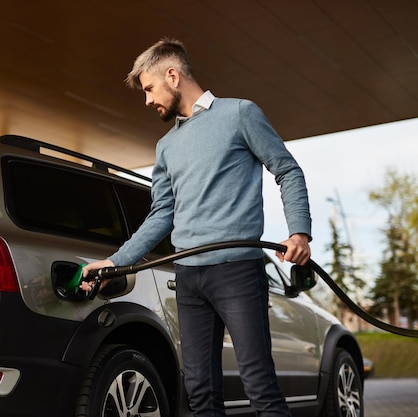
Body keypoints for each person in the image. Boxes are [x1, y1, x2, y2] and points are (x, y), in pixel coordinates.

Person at [81, 38, 312, 417]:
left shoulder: (239, 114)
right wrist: (115, 260)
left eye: (149, 88)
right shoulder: (166, 146)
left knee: (258, 384)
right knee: (200, 391)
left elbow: (287, 170)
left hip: (238, 271)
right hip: (189, 278)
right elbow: (161, 215)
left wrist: (299, 232)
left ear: (172, 75)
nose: (146, 100)